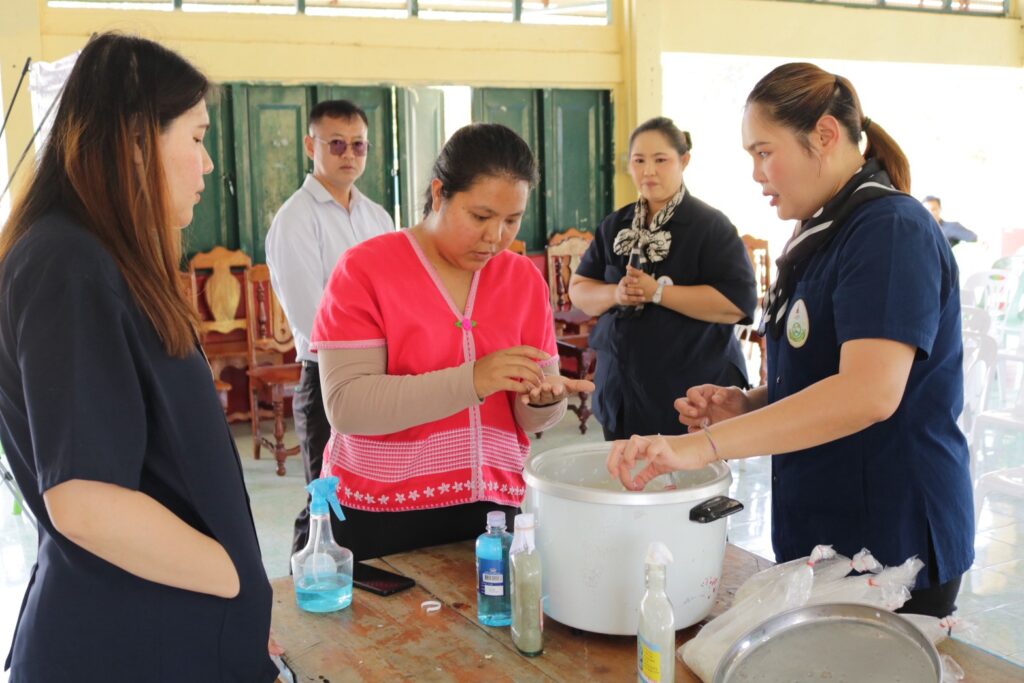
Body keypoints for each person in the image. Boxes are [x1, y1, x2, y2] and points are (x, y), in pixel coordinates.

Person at [608, 63, 974, 619]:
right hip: (828, 532)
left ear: (824, 135)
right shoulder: (823, 231)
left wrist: (700, 448)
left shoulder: (890, 229)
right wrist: (749, 404)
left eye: (764, 151)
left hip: (892, 542)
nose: (757, 173)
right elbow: (823, 373)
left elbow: (868, 393)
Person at [0, 34, 278, 681]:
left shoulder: (101, 259)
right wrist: (231, 576)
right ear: (134, 140)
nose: (208, 163)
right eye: (197, 136)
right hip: (123, 646)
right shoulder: (68, 263)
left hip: (163, 633)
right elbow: (86, 501)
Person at [308, 123, 594, 560]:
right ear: (440, 194)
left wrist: (543, 401)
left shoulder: (522, 279)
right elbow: (347, 405)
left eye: (512, 220)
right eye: (480, 217)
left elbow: (532, 416)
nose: (496, 236)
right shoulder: (366, 270)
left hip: (491, 512)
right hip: (380, 513)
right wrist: (473, 380)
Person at [568, 117, 757, 440]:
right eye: (639, 161)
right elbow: (579, 289)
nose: (649, 171)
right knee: (626, 469)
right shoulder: (616, 226)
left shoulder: (710, 227)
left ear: (684, 161)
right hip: (623, 393)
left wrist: (657, 293)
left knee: (690, 473)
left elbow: (736, 305)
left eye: (660, 160)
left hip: (691, 393)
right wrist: (616, 294)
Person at [265, 99, 395, 555]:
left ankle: (368, 579)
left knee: (374, 493)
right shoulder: (295, 219)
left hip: (382, 374)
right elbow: (312, 315)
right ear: (310, 146)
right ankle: (303, 584)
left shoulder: (378, 216)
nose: (349, 155)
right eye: (336, 144)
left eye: (359, 145)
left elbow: (396, 297)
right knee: (326, 498)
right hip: (326, 377)